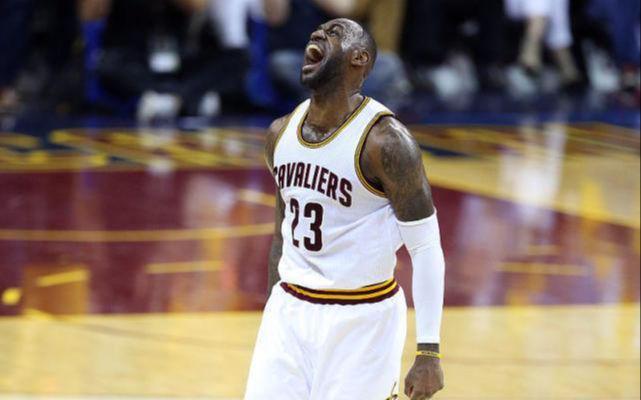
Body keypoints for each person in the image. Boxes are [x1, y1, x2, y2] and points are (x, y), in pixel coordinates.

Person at [245, 18, 446, 400]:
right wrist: (274, 309)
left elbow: (425, 247)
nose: (317, 34)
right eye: (317, 30)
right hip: (290, 312)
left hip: (362, 319)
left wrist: (428, 351)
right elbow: (282, 235)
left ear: (360, 58)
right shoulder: (280, 133)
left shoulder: (386, 142)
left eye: (334, 32)